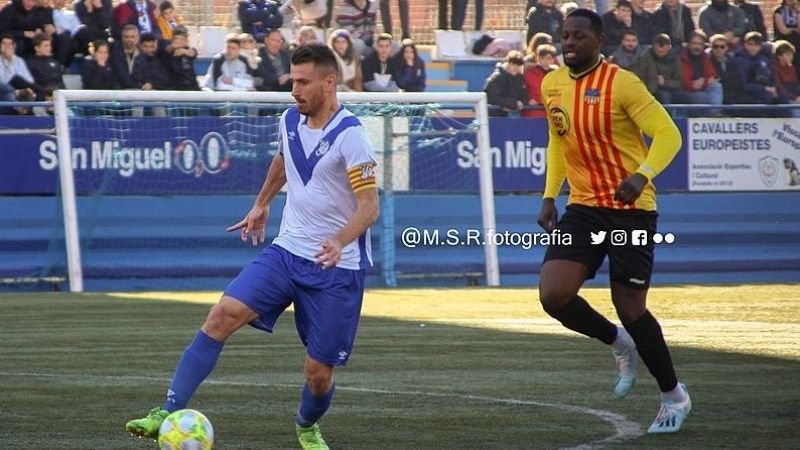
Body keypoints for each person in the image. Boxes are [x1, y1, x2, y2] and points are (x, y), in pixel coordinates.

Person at [125, 43, 379, 450]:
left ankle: (306, 425)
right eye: (292, 81)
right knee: (222, 315)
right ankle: (166, 412)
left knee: (318, 373)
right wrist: (262, 203)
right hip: (287, 251)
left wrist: (339, 240)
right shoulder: (289, 120)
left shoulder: (353, 138)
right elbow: (283, 160)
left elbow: (370, 207)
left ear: (329, 83)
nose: (294, 89)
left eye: (303, 82)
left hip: (336, 268)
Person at [537, 9, 691, 434]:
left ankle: (673, 394)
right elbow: (557, 140)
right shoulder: (551, 84)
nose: (569, 42)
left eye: (579, 36)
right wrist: (551, 196)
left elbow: (669, 134)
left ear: (599, 41)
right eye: (565, 36)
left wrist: (641, 175)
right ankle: (618, 344)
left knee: (631, 306)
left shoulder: (623, 83)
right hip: (584, 207)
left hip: (631, 207)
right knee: (554, 294)